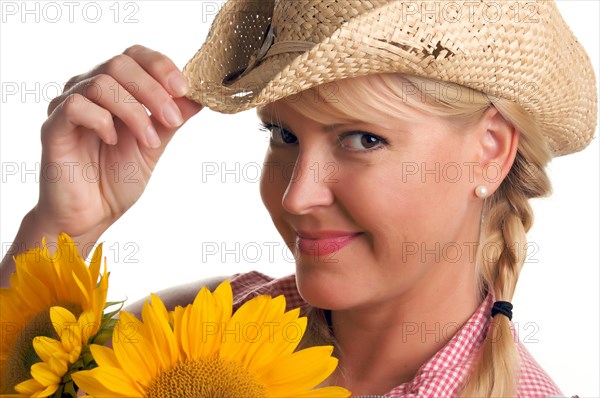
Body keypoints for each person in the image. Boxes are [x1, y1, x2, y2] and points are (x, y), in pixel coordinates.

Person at [0, 0, 597, 396]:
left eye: (363, 139)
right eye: (283, 134)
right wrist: (62, 225)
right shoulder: (199, 330)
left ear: (489, 151)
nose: (296, 194)